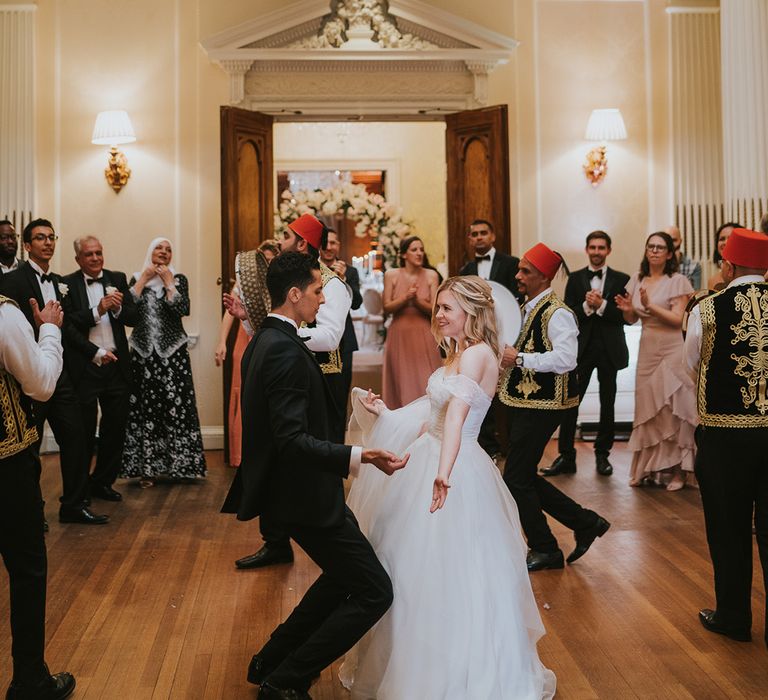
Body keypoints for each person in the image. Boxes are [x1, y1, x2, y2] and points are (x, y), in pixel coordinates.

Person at [339, 276, 556, 700]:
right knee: (409, 567)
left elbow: (457, 417)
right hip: (431, 453)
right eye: (438, 307)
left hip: (454, 466)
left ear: (471, 313)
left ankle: (452, 675)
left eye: (447, 309)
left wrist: (444, 470)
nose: (438, 315)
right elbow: (433, 416)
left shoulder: (477, 355)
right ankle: (410, 662)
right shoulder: (457, 356)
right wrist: (385, 411)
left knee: (451, 572)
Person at [220, 252, 408, 700]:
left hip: (299, 491)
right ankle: (285, 679)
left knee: (342, 578)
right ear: (294, 294)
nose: (324, 300)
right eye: (319, 290)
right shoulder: (282, 350)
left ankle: (269, 660)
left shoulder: (268, 338)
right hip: (305, 495)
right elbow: (291, 440)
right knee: (374, 591)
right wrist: (361, 455)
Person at [233, 215, 352, 571]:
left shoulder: (332, 286)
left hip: (324, 379)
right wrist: (246, 318)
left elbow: (330, 337)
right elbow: (271, 328)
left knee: (318, 451)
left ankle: (331, 521)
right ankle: (276, 541)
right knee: (276, 448)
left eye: (287, 236)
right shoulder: (288, 280)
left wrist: (284, 338)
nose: (280, 240)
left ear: (303, 243)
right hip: (290, 366)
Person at [499, 243, 610, 571]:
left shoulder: (557, 312)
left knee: (516, 479)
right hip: (526, 400)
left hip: (546, 404)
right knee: (522, 476)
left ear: (544, 276)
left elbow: (566, 359)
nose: (518, 276)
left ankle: (546, 547)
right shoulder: (524, 307)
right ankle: (585, 523)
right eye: (519, 269)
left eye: (525, 271)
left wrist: (518, 358)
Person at [685, 228, 768, 647]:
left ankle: (734, 616)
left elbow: (691, 363)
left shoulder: (708, 308)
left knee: (728, 527)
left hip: (724, 435)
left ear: (729, 266)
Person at [0, 218, 107, 525]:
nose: (47, 242)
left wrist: (92, 353)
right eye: (40, 238)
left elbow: (70, 326)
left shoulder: (61, 281)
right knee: (30, 447)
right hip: (29, 373)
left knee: (77, 438)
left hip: (61, 374)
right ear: (27, 245)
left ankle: (74, 504)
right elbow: (12, 333)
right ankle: (33, 510)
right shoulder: (12, 281)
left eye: (51, 237)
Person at [0, 293, 76, 700]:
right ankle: (30, 680)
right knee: (27, 569)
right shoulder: (4, 314)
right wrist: (49, 329)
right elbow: (42, 384)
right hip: (6, 468)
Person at [120, 237, 206, 487]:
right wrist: (144, 280)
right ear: (150, 251)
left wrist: (170, 284)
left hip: (173, 355)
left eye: (169, 249)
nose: (164, 252)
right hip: (143, 355)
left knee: (175, 408)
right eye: (159, 248)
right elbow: (127, 313)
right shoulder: (136, 279)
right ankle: (146, 469)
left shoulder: (179, 279)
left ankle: (181, 466)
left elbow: (182, 309)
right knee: (146, 408)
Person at [615, 231, 697, 490]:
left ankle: (678, 472)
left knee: (673, 411)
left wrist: (650, 306)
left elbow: (678, 319)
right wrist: (629, 311)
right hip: (648, 350)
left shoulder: (678, 280)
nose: (654, 251)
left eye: (660, 247)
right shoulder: (638, 279)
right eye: (650, 246)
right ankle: (647, 468)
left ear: (670, 254)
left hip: (673, 350)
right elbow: (632, 320)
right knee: (648, 410)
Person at [544, 231, 629, 477]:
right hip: (581, 351)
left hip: (609, 349)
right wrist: (585, 306)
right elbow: (568, 314)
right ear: (587, 249)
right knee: (571, 403)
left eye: (601, 247)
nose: (597, 251)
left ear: (608, 250)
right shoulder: (576, 278)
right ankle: (566, 456)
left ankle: (603, 455)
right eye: (593, 247)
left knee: (608, 403)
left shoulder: (621, 279)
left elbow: (624, 316)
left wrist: (602, 305)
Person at [61, 236, 137, 501]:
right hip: (87, 365)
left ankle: (103, 482)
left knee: (115, 429)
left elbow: (133, 317)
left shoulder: (117, 277)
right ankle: (79, 489)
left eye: (99, 253)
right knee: (82, 431)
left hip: (116, 365)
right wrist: (98, 310)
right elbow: (68, 323)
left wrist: (117, 310)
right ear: (78, 259)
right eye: (89, 254)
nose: (95, 258)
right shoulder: (67, 284)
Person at [459, 218, 522, 459]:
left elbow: (517, 300)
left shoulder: (510, 264)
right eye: (474, 234)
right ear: (470, 238)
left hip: (508, 335)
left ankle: (509, 446)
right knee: (479, 390)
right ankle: (487, 446)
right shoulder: (466, 270)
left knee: (505, 394)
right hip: (478, 339)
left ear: (492, 236)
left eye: (483, 233)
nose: (479, 237)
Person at [216, 239, 280, 468]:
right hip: (245, 338)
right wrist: (222, 341)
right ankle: (241, 455)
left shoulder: (280, 284)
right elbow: (230, 312)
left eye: (272, 260)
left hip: (271, 338)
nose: (267, 264)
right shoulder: (244, 282)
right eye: (264, 260)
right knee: (243, 391)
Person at [382, 236, 441, 409]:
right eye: (414, 250)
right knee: (401, 378)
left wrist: (417, 301)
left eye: (421, 249)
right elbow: (386, 307)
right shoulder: (391, 275)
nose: (419, 253)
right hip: (399, 333)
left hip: (424, 332)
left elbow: (435, 310)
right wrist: (405, 297)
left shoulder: (431, 275)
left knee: (426, 376)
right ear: (403, 255)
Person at [319, 228, 362, 423]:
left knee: (341, 389)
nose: (329, 247)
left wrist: (343, 280)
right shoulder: (312, 269)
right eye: (326, 243)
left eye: (333, 243)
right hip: (318, 334)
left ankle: (338, 436)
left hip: (344, 338)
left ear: (339, 246)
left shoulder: (350, 271)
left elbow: (356, 303)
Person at [707, 222, 741, 290]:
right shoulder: (713, 281)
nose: (725, 242)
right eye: (722, 239)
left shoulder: (749, 274)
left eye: (730, 238)